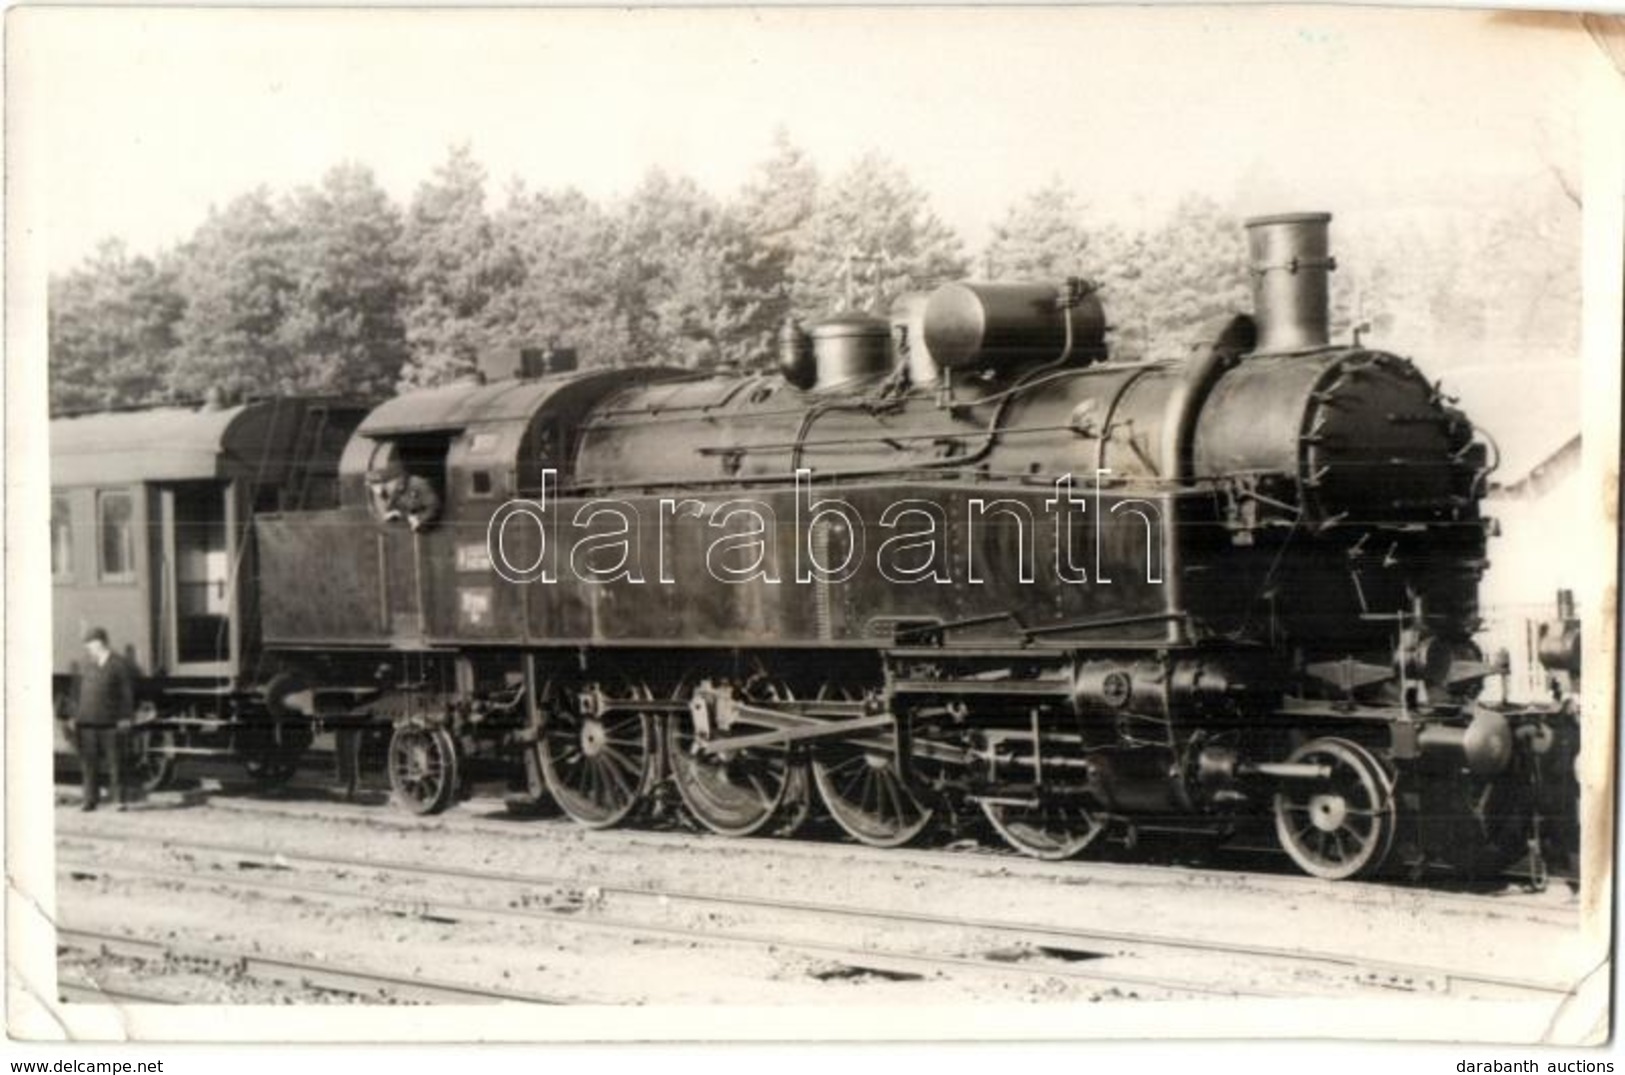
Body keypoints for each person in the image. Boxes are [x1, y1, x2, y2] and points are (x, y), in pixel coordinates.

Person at [75, 627, 135, 811]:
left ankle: (119, 800)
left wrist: (125, 717)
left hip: (110, 722)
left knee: (115, 762)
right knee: (89, 764)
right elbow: (77, 691)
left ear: (100, 643)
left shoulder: (118, 664)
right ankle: (90, 800)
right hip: (87, 721)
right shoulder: (87, 664)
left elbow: (126, 693)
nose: (88, 649)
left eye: (90, 645)